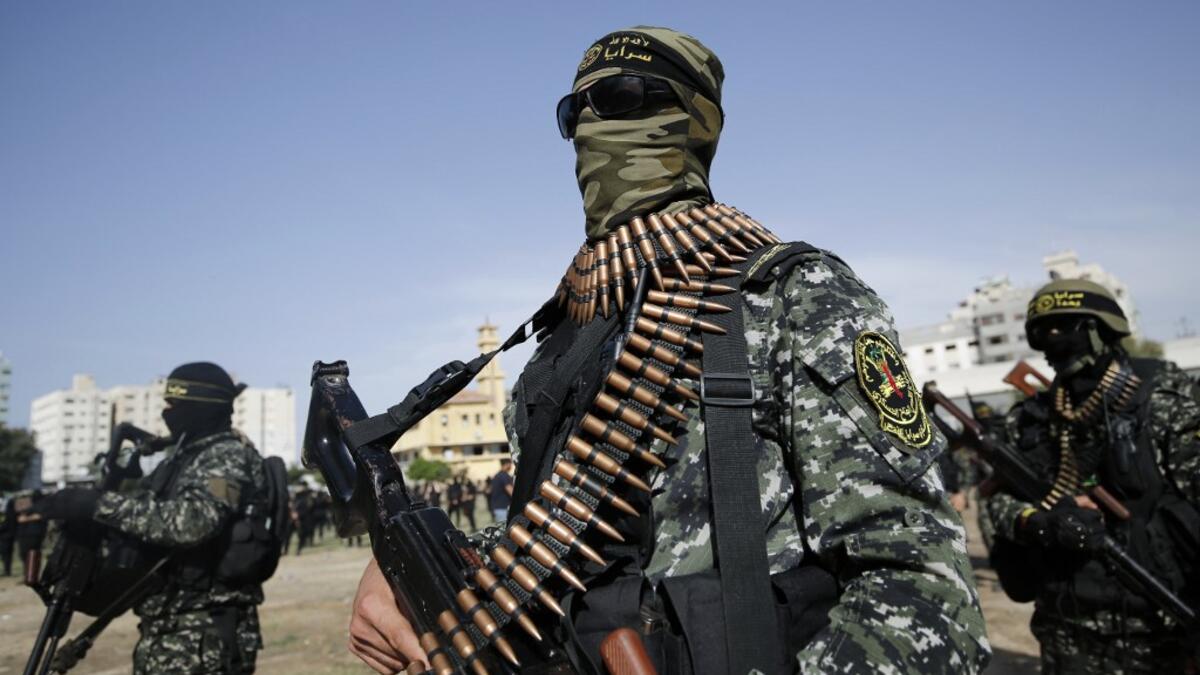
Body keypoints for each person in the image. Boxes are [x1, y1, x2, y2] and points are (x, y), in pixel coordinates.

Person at [347, 26, 989, 674]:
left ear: (697, 119)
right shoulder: (560, 346)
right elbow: (547, 543)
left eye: (625, 95)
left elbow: (925, 589)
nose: (594, 121)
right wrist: (404, 566)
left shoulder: (798, 297)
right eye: (576, 111)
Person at [983, 279, 1200, 673]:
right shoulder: (1031, 420)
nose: (1052, 341)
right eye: (1042, 332)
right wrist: (1038, 523)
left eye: (1065, 328)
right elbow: (995, 504)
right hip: (1066, 626)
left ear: (1101, 331)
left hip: (1163, 627)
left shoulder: (1165, 405)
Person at [36, 362, 268, 674]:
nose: (167, 412)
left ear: (201, 407)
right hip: (171, 627)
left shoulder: (226, 455)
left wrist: (100, 505)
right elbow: (147, 520)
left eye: (175, 404)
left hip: (204, 631)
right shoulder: (184, 458)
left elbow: (195, 522)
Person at [487, 459, 513, 524]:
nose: (511, 466)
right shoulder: (504, 476)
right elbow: (510, 491)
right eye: (511, 464)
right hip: (503, 508)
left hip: (498, 508)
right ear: (507, 464)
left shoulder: (497, 475)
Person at [0, 495, 15, 576]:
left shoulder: (9, 511)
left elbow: (7, 523)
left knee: (6, 554)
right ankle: (6, 570)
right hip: (6, 534)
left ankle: (7, 570)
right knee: (5, 554)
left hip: (6, 535)